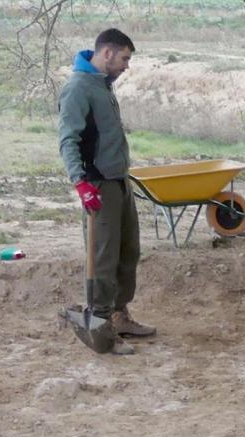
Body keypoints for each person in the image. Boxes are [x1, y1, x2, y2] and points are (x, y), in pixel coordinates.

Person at [58, 28, 154, 340]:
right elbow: (67, 140)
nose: (127, 65)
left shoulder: (102, 84)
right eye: (124, 58)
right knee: (103, 256)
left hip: (119, 182)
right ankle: (100, 327)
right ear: (108, 53)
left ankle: (118, 313)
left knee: (129, 251)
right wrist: (80, 183)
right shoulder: (78, 88)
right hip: (98, 185)